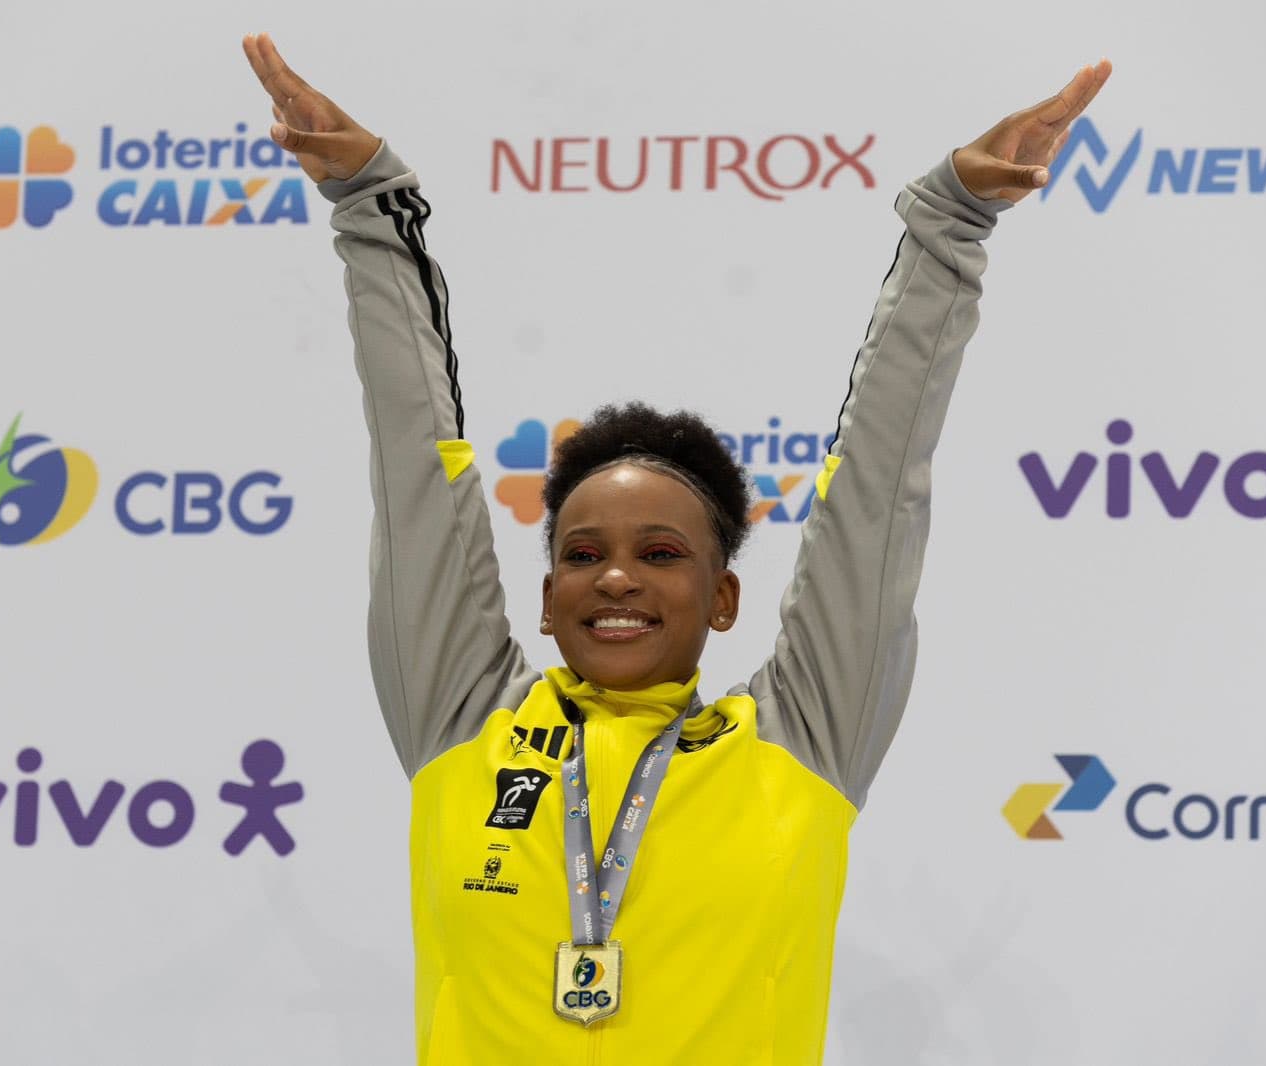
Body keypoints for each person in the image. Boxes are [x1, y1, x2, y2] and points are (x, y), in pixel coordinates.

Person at [243, 33, 1109, 1065]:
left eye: (660, 553)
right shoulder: (462, 720)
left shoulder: (801, 743)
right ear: (545, 594)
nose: (614, 576)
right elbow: (412, 456)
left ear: (723, 598)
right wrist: (369, 212)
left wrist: (949, 227)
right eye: (579, 554)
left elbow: (878, 487)